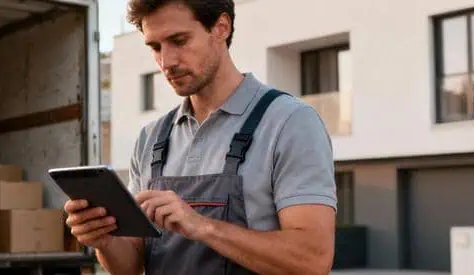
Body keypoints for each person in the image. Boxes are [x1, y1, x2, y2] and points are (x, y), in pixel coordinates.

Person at [64, 0, 338, 274]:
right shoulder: (151, 138)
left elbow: (312, 261)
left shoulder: (289, 123)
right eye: (155, 47)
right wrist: (105, 241)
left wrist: (203, 226)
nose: (166, 62)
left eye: (179, 40)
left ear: (221, 28)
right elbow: (131, 266)